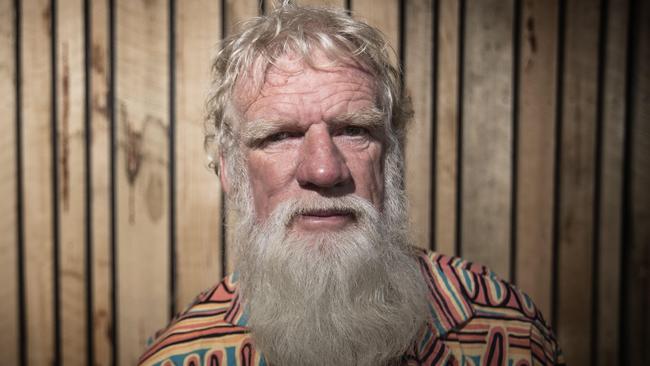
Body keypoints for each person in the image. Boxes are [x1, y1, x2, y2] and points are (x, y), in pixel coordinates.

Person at [138, 2, 563, 365]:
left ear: (391, 158)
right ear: (231, 170)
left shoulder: (506, 331)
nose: (324, 171)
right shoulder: (183, 355)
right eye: (280, 136)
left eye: (354, 130)